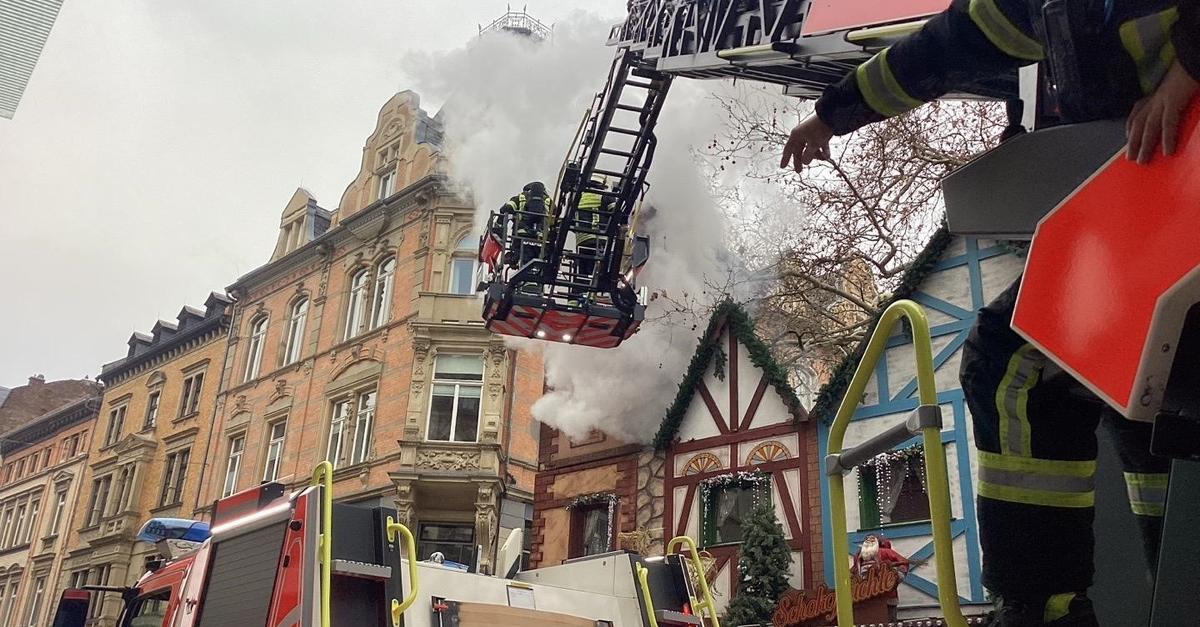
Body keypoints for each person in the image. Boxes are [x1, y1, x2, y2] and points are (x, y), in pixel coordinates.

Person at [779, 2, 1199, 625]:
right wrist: (831, 115)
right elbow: (942, 48)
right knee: (1126, 389)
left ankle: (1043, 603)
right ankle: (1162, 583)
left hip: (1173, 211)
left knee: (1018, 363)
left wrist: (1186, 73)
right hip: (1160, 213)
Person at [501, 182, 553, 295]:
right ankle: (537, 286)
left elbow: (507, 208)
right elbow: (555, 218)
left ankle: (526, 284)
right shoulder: (548, 201)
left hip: (521, 235)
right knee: (540, 259)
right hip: (541, 238)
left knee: (525, 259)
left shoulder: (520, 198)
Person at [572, 179, 616, 304]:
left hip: (582, 241)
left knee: (583, 271)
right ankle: (593, 296)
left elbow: (569, 221)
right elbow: (615, 213)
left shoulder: (577, 197)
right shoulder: (605, 196)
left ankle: (579, 297)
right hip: (599, 239)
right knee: (597, 270)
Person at [854, 535, 911, 622]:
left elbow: (903, 563)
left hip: (884, 594)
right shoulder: (859, 557)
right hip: (865, 595)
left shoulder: (885, 552)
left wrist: (897, 576)